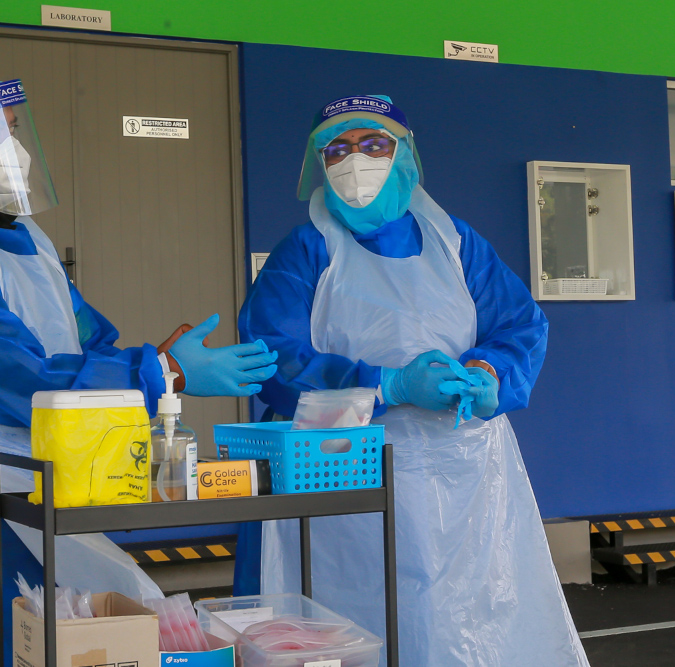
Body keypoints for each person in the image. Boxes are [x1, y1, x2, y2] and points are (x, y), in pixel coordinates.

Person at [0, 58, 278, 667]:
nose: (14, 149)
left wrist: (154, 364)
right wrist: (163, 373)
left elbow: (87, 344)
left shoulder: (28, 242)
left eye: (14, 129)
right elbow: (8, 375)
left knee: (53, 642)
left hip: (32, 474)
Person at [237, 95, 588, 666]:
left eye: (374, 145)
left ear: (405, 156)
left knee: (470, 619)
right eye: (339, 149)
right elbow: (273, 359)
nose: (356, 162)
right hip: (344, 470)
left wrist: (487, 371)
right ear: (319, 166)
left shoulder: (457, 245)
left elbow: (518, 322)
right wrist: (387, 385)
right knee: (351, 619)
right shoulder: (305, 251)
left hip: (467, 473)